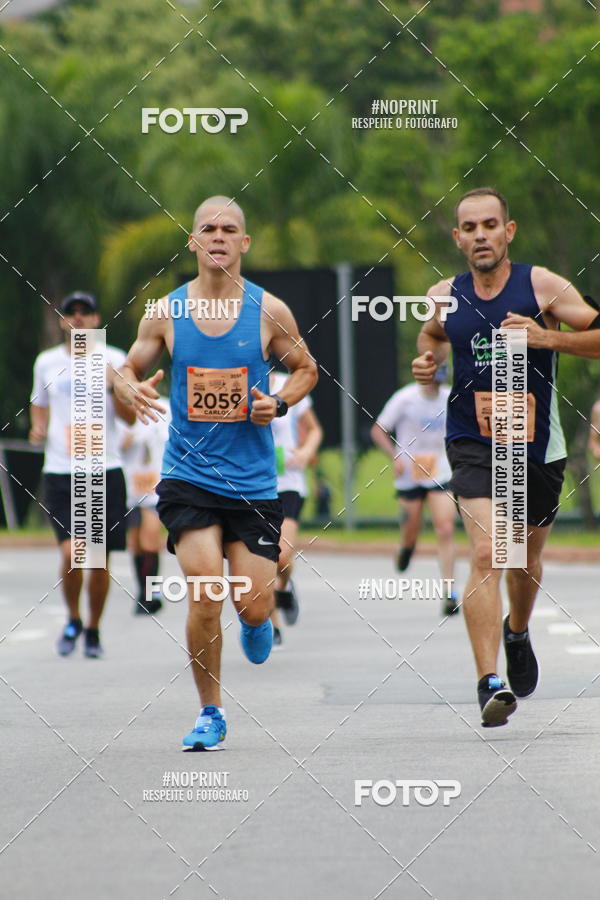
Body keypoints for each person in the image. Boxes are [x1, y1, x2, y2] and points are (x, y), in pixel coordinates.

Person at [113, 196, 318, 749]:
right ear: (193, 242)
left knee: (254, 602)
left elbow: (306, 368)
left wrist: (279, 403)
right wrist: (127, 385)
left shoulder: (269, 310)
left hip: (252, 483)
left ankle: (257, 620)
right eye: (208, 228)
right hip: (187, 477)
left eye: (230, 229)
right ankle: (211, 711)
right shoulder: (166, 312)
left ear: (245, 243)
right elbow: (128, 368)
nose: (219, 236)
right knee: (204, 594)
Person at [412, 187, 600, 728]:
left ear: (508, 231)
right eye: (469, 229)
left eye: (489, 226)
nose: (480, 237)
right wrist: (427, 364)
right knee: (490, 552)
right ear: (457, 238)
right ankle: (487, 681)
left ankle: (517, 631)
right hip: (472, 439)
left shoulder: (542, 284)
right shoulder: (443, 294)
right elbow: (431, 337)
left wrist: (545, 337)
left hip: (538, 445)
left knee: (525, 560)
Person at [29, 292, 134, 658]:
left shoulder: (115, 359)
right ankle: (73, 617)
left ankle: (93, 629)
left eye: (84, 313)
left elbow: (130, 417)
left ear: (96, 320)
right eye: (70, 313)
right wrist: (37, 429)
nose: (77, 319)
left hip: (105, 469)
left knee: (99, 559)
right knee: (74, 553)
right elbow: (39, 405)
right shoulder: (46, 362)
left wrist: (111, 384)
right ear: (61, 321)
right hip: (61, 470)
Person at [371, 366, 459, 617]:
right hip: (410, 470)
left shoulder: (450, 396)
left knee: (445, 528)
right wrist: (395, 456)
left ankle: (449, 591)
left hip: (440, 469)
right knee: (411, 534)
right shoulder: (405, 398)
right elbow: (378, 429)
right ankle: (405, 550)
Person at [269, 367, 323, 646]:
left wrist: (304, 452)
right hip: (251, 485)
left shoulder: (287, 386)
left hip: (287, 482)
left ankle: (285, 585)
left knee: (281, 556)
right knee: (260, 559)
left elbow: (314, 430)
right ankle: (272, 625)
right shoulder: (233, 384)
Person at [117, 400, 171, 615]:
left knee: (150, 539)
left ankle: (151, 593)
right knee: (136, 543)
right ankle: (142, 591)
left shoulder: (164, 408)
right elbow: (114, 444)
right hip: (130, 487)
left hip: (154, 486)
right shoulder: (122, 409)